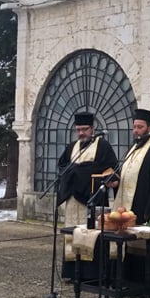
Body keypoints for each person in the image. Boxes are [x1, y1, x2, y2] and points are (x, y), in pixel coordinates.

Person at [112, 108, 150, 294]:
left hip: (147, 207)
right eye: (134, 127)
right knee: (131, 248)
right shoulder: (133, 148)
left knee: (148, 248)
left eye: (140, 127)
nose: (136, 131)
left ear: (149, 128)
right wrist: (115, 182)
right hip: (130, 206)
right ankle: (132, 281)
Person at [57, 112, 117, 279]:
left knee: (92, 234)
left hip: (93, 198)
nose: (81, 133)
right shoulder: (72, 147)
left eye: (84, 129)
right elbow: (62, 167)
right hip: (73, 199)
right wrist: (76, 171)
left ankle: (92, 274)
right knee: (73, 232)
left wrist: (81, 170)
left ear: (92, 129)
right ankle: (73, 272)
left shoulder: (102, 145)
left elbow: (110, 168)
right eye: (78, 130)